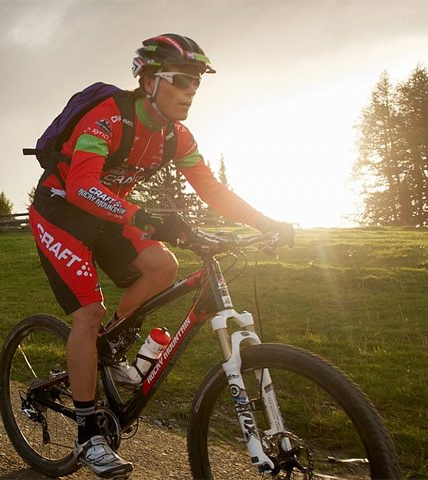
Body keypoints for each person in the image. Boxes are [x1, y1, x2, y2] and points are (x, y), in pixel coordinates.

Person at [26, 33, 294, 478]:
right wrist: (144, 217)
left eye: (197, 84)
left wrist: (267, 222)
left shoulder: (176, 137)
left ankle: (108, 349)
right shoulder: (108, 118)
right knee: (88, 313)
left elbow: (212, 190)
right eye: (182, 80)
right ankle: (88, 433)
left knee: (163, 266)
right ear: (149, 81)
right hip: (61, 212)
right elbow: (81, 185)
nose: (191, 91)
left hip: (108, 213)